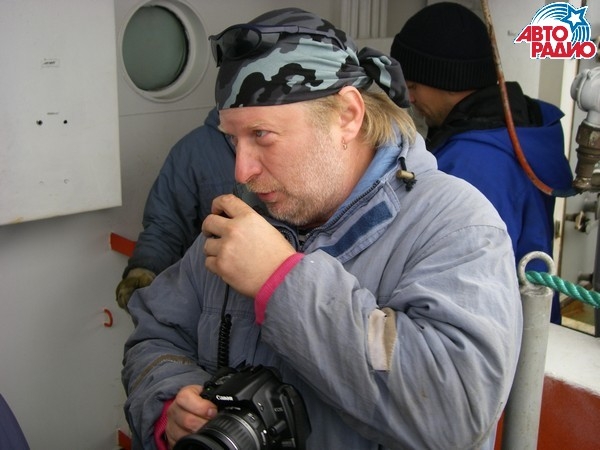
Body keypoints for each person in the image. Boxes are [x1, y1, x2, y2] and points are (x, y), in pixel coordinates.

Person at [122, 7, 522, 450]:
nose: (242, 171)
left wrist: (281, 281)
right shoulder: (242, 224)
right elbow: (156, 333)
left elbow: (455, 411)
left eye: (262, 135)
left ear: (347, 116)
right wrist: (170, 406)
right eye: (233, 139)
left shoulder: (457, 227)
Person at [390, 1, 574, 324]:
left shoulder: (470, 163)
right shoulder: (526, 130)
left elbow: (452, 286)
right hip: (534, 324)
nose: (411, 98)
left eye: (414, 86)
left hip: (493, 335)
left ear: (448, 81)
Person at [115, 107, 236, 310]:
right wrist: (144, 270)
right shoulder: (194, 150)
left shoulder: (292, 142)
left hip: (279, 295)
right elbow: (167, 224)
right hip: (215, 299)